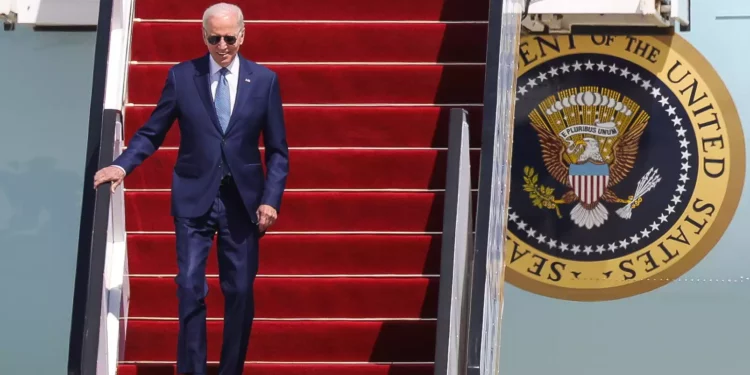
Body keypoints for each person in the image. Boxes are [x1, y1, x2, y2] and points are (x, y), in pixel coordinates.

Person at [93, 3, 289, 374]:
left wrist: (270, 200)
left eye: (229, 37)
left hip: (243, 202)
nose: (222, 45)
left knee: (240, 293)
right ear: (204, 36)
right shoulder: (183, 77)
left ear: (242, 35)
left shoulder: (264, 81)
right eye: (214, 38)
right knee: (188, 288)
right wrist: (122, 164)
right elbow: (153, 131)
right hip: (194, 198)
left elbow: (278, 151)